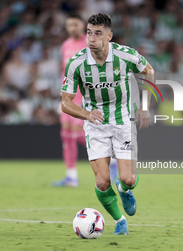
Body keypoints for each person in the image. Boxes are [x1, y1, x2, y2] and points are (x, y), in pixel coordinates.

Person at [61, 13, 153, 235]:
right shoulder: (77, 63)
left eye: (98, 34)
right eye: (89, 33)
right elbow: (65, 102)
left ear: (109, 36)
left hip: (123, 121)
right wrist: (85, 113)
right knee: (102, 183)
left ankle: (124, 190)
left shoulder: (125, 55)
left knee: (127, 178)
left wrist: (145, 106)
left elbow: (148, 71)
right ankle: (119, 220)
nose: (91, 38)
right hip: (96, 125)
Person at [52, 14, 118, 187]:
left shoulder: (89, 44)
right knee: (66, 135)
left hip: (86, 95)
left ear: (83, 26)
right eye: (69, 25)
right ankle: (71, 176)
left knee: (82, 133)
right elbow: (65, 72)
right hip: (69, 96)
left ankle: (112, 160)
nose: (72, 28)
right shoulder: (65, 45)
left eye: (75, 24)